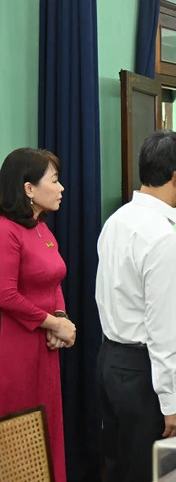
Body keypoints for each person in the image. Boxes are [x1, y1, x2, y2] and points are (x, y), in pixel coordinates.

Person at [95, 131, 176, 482]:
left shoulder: (116, 221)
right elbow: (162, 330)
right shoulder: (163, 238)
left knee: (118, 466)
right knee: (152, 472)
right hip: (145, 374)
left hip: (110, 360)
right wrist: (172, 402)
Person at [0, 148, 76, 482]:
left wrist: (59, 316)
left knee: (48, 425)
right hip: (15, 348)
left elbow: (54, 279)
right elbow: (5, 294)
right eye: (54, 180)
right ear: (29, 188)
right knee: (20, 433)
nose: (61, 188)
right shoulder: (6, 230)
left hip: (45, 346)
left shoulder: (41, 229)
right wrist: (54, 323)